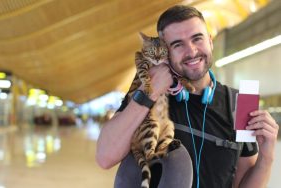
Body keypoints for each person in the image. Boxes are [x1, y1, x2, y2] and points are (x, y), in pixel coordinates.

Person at [96, 5, 279, 188]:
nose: (191, 51)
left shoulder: (242, 101)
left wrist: (267, 157)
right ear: (165, 51)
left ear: (210, 41)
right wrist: (150, 93)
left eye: (197, 39)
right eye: (177, 44)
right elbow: (105, 157)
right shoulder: (146, 91)